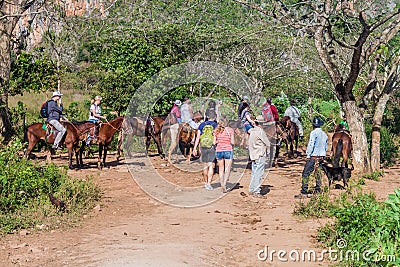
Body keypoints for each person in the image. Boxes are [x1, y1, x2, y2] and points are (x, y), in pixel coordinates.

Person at [294, 117, 328, 199]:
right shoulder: (324, 134)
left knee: (305, 173)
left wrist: (308, 155)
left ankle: (304, 192)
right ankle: (318, 190)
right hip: (321, 157)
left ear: (313, 125)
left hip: (313, 156)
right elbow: (326, 147)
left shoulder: (313, 133)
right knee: (318, 173)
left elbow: (311, 144)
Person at [193, 109, 218, 190]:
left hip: (203, 146)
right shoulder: (216, 125)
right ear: (214, 116)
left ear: (206, 116)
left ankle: (205, 182)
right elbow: (216, 136)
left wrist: (194, 148)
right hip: (211, 146)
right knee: (211, 165)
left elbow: (198, 138)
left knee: (205, 165)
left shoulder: (202, 125)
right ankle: (209, 183)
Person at [248, 115, 270, 198]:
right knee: (259, 173)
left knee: (254, 172)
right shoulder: (261, 131)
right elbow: (267, 143)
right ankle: (256, 191)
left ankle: (251, 188)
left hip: (253, 155)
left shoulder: (252, 131)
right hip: (260, 155)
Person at [214, 118, 235, 193]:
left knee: (221, 169)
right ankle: (225, 184)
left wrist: (219, 141)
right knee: (227, 169)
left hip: (219, 150)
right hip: (228, 150)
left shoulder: (216, 131)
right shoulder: (230, 130)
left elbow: (214, 142)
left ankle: (221, 183)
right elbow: (232, 142)